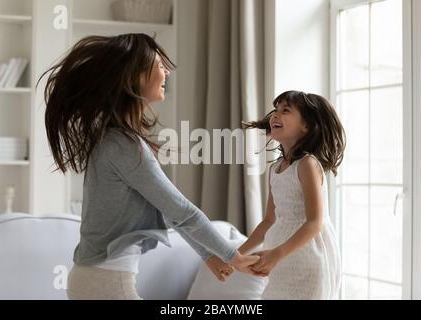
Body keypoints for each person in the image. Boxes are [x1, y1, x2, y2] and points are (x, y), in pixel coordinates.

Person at [39, 33, 258, 300]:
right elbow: (183, 211)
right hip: (107, 283)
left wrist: (208, 256)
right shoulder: (125, 146)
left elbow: (170, 212)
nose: (167, 72)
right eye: (159, 65)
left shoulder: (115, 140)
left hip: (96, 279)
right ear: (136, 76)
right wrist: (231, 256)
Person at [240, 90, 345, 299]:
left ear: (306, 126)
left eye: (285, 110)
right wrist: (237, 254)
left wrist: (276, 254)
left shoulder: (307, 164)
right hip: (281, 264)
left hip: (307, 262)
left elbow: (315, 222)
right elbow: (269, 220)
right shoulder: (276, 168)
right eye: (276, 110)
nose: (275, 116)